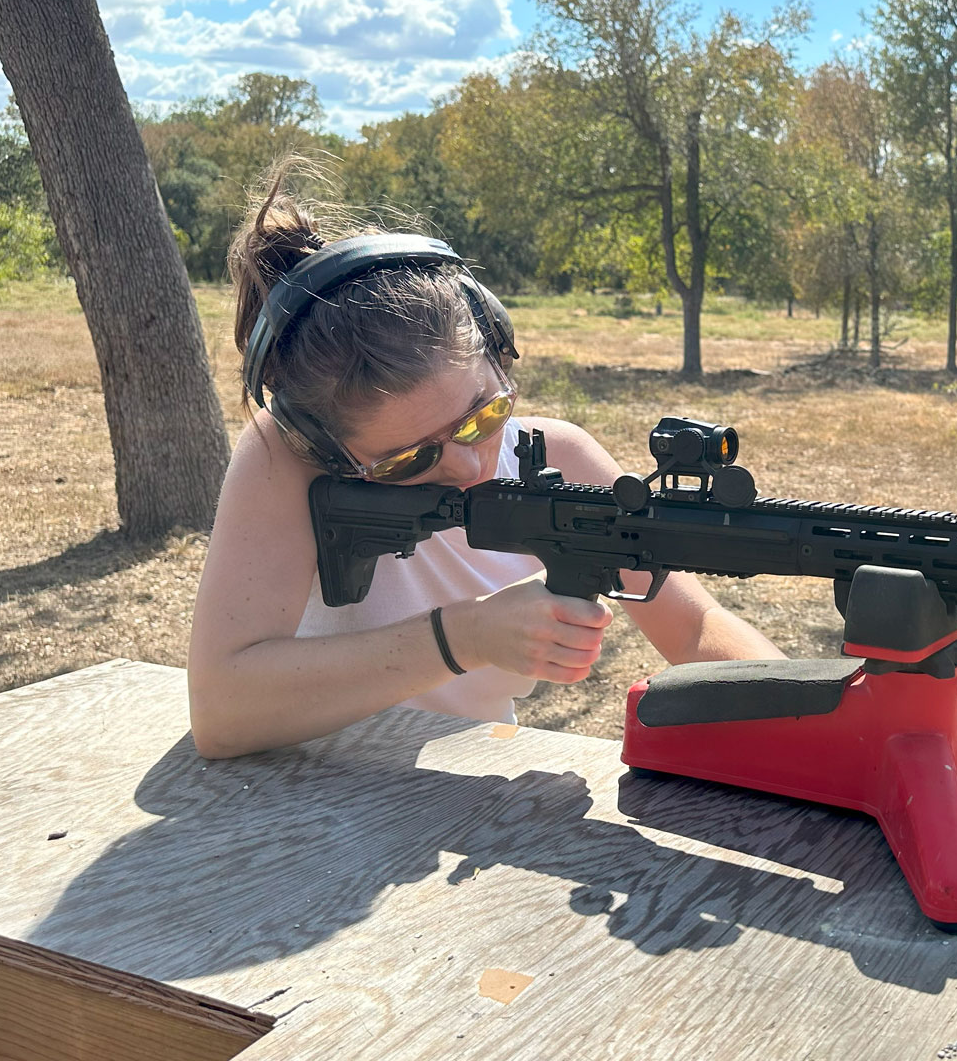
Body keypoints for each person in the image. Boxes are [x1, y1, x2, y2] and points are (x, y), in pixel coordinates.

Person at [187, 166, 783, 759]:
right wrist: (464, 636)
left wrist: (836, 720)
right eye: (408, 459)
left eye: (483, 415)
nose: (471, 466)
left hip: (473, 801)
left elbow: (696, 629)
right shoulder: (287, 462)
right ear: (323, 446)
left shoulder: (562, 456)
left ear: (499, 356)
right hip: (299, 804)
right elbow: (222, 712)